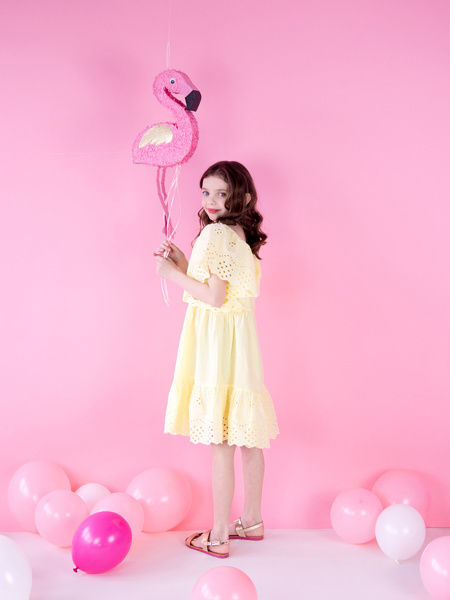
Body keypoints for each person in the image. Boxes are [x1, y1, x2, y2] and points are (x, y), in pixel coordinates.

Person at [154, 160, 279, 558]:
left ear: (240, 196)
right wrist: (183, 264)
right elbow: (220, 288)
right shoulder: (240, 235)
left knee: (222, 441)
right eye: (206, 192)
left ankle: (220, 535)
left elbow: (212, 297)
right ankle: (252, 520)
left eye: (221, 193)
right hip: (241, 344)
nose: (211, 201)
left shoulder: (214, 234)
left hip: (217, 346)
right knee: (247, 437)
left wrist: (170, 274)